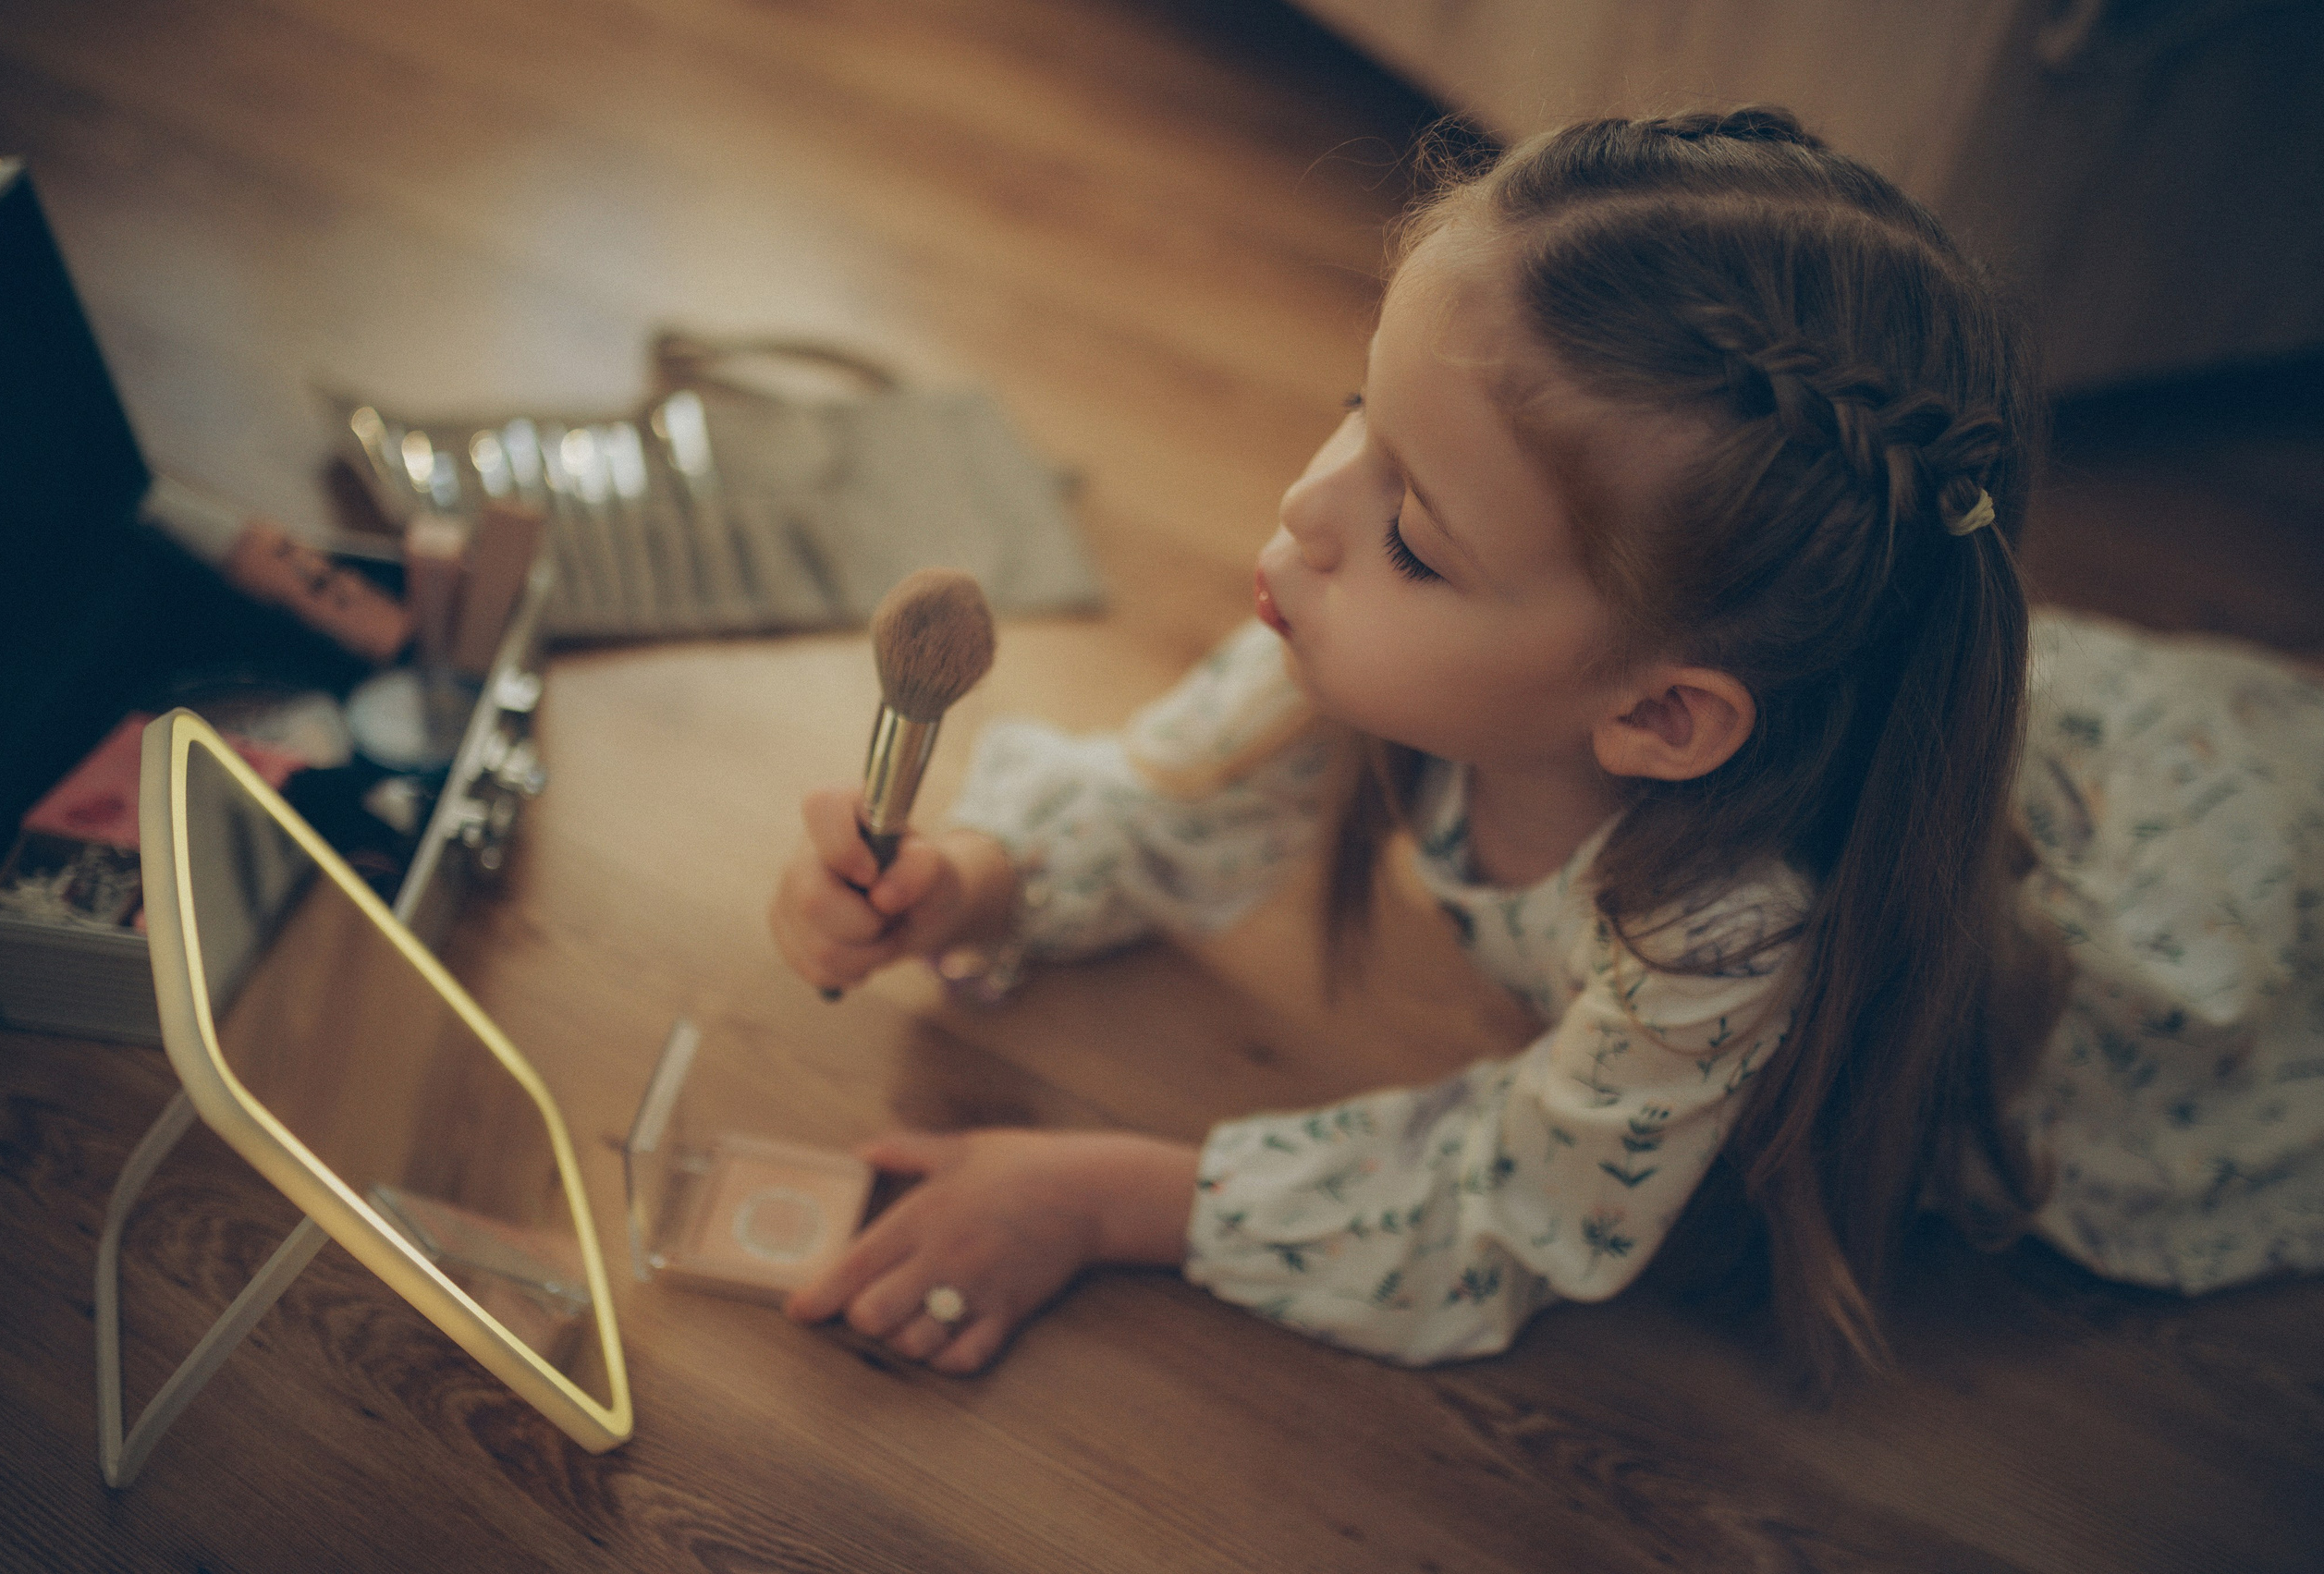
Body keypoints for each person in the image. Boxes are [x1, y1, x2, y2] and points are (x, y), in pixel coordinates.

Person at [767, 108, 2324, 1382]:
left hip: (2202, 960)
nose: (1311, 512)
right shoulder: (1343, 608)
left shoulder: (1729, 922)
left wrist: (1102, 1196)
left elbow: (1498, 1204)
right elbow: (1172, 794)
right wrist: (969, 881)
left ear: (1657, 714)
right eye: (1356, 414)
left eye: (1418, 537)